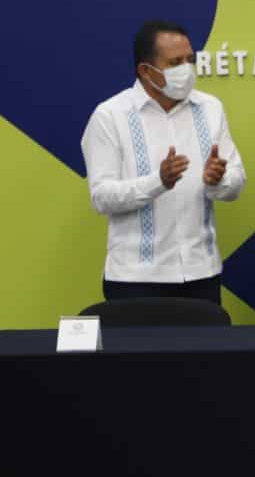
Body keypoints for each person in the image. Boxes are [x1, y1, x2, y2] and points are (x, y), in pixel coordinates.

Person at [81, 20, 245, 304]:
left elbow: (236, 182)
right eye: (175, 62)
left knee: (207, 349)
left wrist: (218, 181)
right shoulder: (110, 116)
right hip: (136, 280)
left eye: (190, 60)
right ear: (146, 71)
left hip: (201, 274)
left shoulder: (210, 108)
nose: (187, 70)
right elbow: (102, 197)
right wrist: (158, 182)